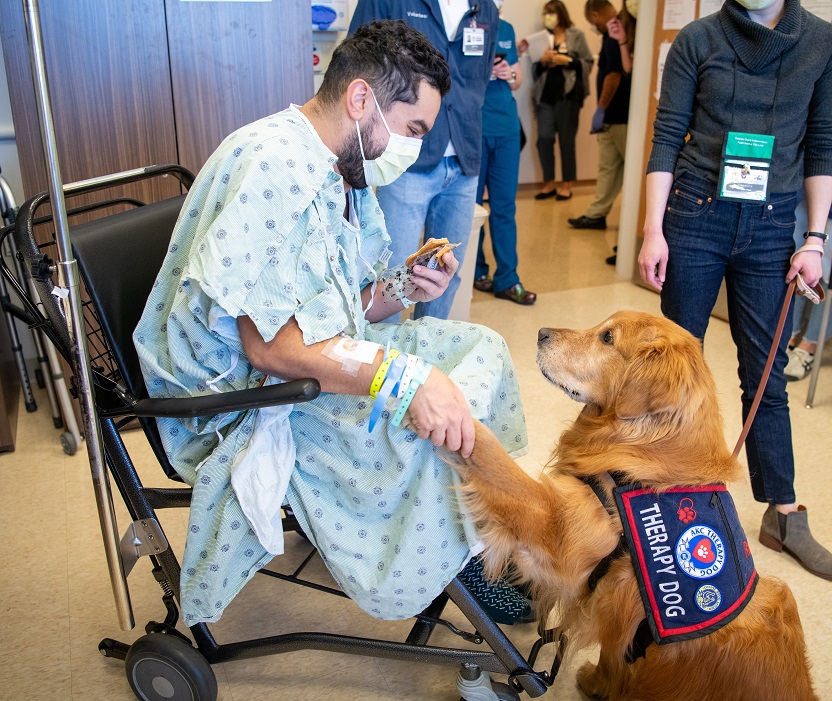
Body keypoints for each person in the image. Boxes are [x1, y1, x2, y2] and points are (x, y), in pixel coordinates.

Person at [133, 20, 530, 627]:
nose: (414, 147)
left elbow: (341, 310)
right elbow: (269, 348)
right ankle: (455, 560)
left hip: (296, 361)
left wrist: (404, 288)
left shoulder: (342, 167)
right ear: (362, 98)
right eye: (412, 129)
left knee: (482, 350)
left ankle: (472, 538)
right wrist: (402, 379)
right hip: (236, 398)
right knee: (422, 423)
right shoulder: (273, 165)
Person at [638, 0, 832, 579]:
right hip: (695, 216)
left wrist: (815, 238)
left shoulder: (820, 43)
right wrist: (652, 231)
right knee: (674, 365)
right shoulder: (699, 38)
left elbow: (822, 146)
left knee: (765, 371)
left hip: (773, 226)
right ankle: (657, 493)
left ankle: (785, 513)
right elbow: (667, 136)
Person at [349, 0, 500, 321]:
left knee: (445, 273)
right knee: (392, 275)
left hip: (464, 157)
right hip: (407, 158)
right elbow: (356, 63)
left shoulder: (486, 9)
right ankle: (381, 364)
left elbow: (479, 80)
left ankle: (426, 354)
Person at [472, 1, 537, 305]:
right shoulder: (465, 25)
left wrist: (508, 73)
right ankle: (476, 270)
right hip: (474, 128)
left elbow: (518, 80)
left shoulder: (507, 29)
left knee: (503, 207)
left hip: (507, 129)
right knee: (472, 207)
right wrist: (482, 73)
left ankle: (507, 279)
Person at [567, 0, 631, 231]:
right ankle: (596, 214)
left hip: (621, 115)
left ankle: (633, 222)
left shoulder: (616, 32)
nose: (592, 26)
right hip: (610, 118)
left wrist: (601, 108)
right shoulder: (612, 33)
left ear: (595, 15)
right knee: (607, 168)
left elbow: (614, 75)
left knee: (632, 169)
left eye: (590, 21)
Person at [527, 1, 594, 202]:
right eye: (545, 13)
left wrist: (568, 61)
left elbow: (588, 63)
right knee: (544, 139)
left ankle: (567, 185)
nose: (548, 17)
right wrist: (544, 61)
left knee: (567, 141)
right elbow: (535, 71)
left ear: (560, 14)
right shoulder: (541, 38)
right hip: (545, 97)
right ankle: (549, 184)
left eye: (551, 13)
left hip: (569, 96)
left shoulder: (576, 35)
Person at [786, 199, 832, 380]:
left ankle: (809, 345)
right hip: (808, 199)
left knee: (827, 282)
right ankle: (789, 336)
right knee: (797, 271)